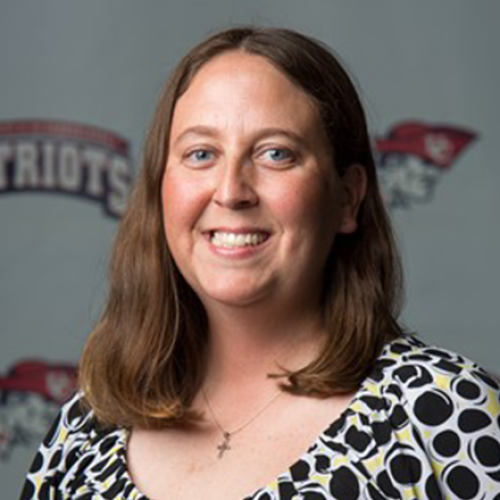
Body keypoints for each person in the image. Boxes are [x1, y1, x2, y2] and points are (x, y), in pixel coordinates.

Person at [21, 27, 500, 500]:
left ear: (347, 199)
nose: (231, 191)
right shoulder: (84, 432)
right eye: (201, 153)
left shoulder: (443, 413)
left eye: (276, 154)